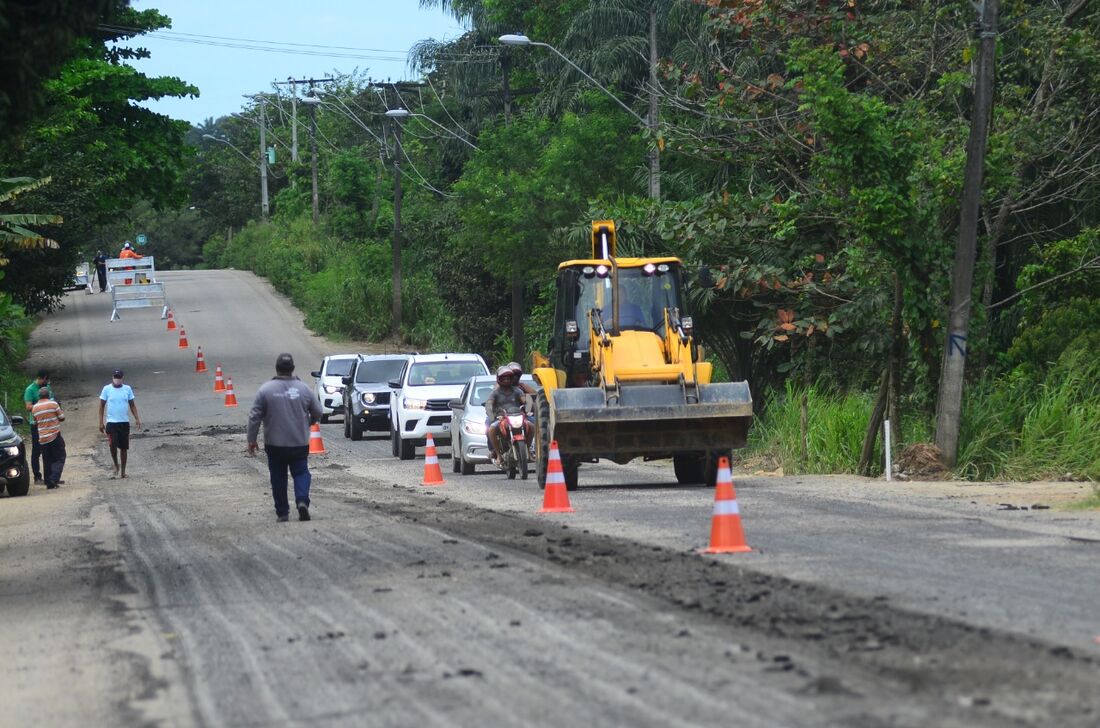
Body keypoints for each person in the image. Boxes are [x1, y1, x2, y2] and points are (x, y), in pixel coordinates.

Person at [247, 353, 322, 523]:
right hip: (298, 443)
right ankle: (302, 500)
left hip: (275, 444)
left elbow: (254, 416)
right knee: (301, 472)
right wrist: (310, 421)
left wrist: (251, 440)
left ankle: (282, 512)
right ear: (292, 369)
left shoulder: (266, 390)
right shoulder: (304, 389)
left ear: (277, 368)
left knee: (278, 477)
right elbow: (318, 410)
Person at [99, 369, 142, 478]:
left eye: (119, 377)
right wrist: (101, 422)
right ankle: (115, 464)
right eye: (115, 377)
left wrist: (137, 418)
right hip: (111, 422)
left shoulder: (127, 389)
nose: (117, 379)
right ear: (112, 377)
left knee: (124, 447)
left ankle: (123, 471)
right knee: (112, 444)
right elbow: (102, 406)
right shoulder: (106, 389)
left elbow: (132, 405)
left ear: (122, 378)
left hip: (124, 422)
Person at [485, 366, 533, 464]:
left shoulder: (517, 391)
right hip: (501, 418)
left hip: (517, 416)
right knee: (491, 429)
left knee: (531, 426)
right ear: (499, 379)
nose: (506, 380)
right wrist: (491, 411)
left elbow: (524, 399)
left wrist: (528, 403)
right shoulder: (495, 393)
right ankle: (498, 455)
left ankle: (527, 451)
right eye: (504, 378)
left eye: (508, 378)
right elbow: (489, 403)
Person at [23, 369, 53, 484]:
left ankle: (50, 476)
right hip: (36, 424)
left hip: (48, 422)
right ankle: (37, 476)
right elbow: (28, 406)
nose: (47, 382)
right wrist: (42, 406)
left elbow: (51, 400)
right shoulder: (30, 390)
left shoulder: (47, 388)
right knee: (37, 450)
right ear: (43, 378)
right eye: (47, 379)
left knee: (49, 449)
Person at [32, 389, 65, 489]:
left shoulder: (35, 408)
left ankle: (48, 481)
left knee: (47, 460)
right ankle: (53, 478)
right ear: (48, 395)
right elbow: (62, 417)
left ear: (39, 396)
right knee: (60, 457)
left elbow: (35, 421)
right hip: (54, 435)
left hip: (42, 438)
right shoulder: (53, 404)